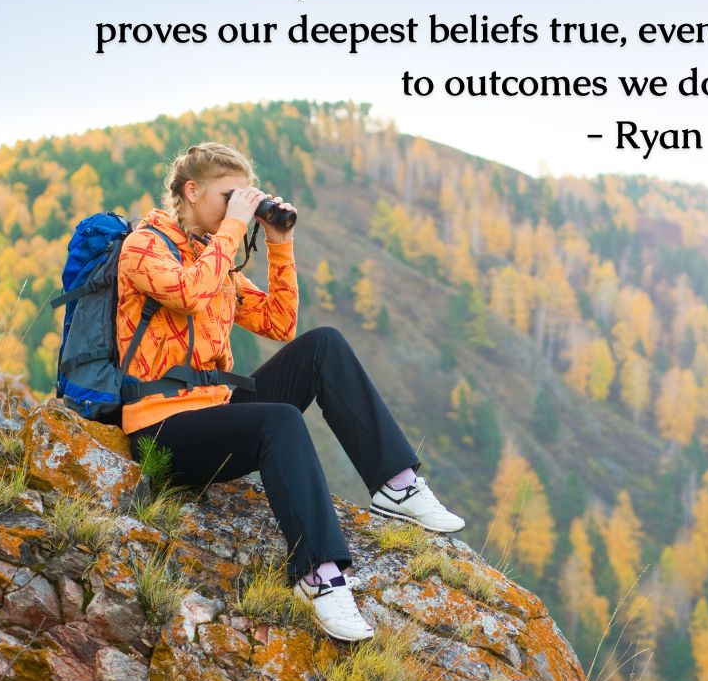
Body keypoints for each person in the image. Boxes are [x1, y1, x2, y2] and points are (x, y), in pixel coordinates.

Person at [117, 141, 465, 642]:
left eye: (244, 196)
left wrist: (278, 242)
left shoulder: (215, 260)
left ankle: (397, 484)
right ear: (191, 192)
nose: (238, 206)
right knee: (280, 418)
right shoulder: (144, 247)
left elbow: (281, 323)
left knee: (324, 344)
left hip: (215, 413)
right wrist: (235, 228)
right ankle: (319, 577)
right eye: (228, 195)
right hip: (161, 430)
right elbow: (189, 292)